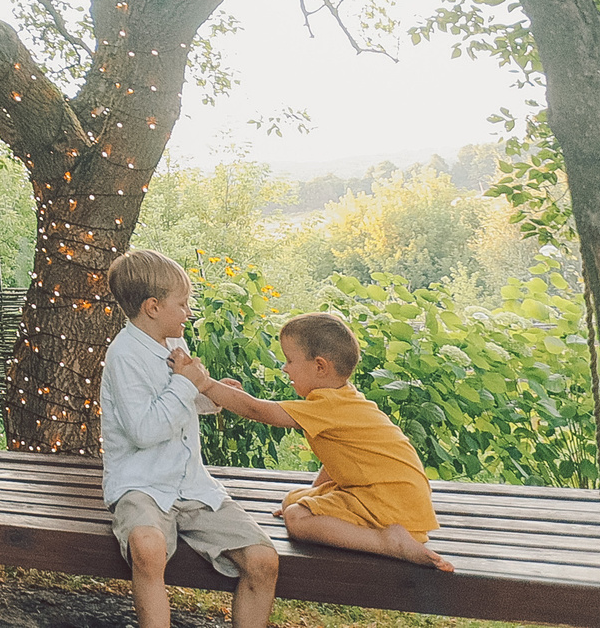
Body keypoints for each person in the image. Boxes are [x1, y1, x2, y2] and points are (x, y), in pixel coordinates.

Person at [171, 311, 455, 572]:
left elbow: (258, 410)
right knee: (294, 500)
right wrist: (315, 495)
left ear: (320, 366)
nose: (285, 368)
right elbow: (338, 459)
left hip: (390, 502)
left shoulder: (326, 406)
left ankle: (387, 541)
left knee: (297, 519)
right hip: (399, 493)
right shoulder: (345, 399)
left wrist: (205, 384)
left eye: (290, 360)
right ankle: (384, 533)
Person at [100, 249, 279, 628]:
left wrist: (207, 395)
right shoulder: (124, 355)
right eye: (182, 304)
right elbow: (144, 430)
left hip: (192, 487)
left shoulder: (171, 347)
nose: (188, 312)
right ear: (152, 306)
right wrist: (185, 384)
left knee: (264, 560)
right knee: (148, 548)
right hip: (142, 485)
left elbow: (173, 403)